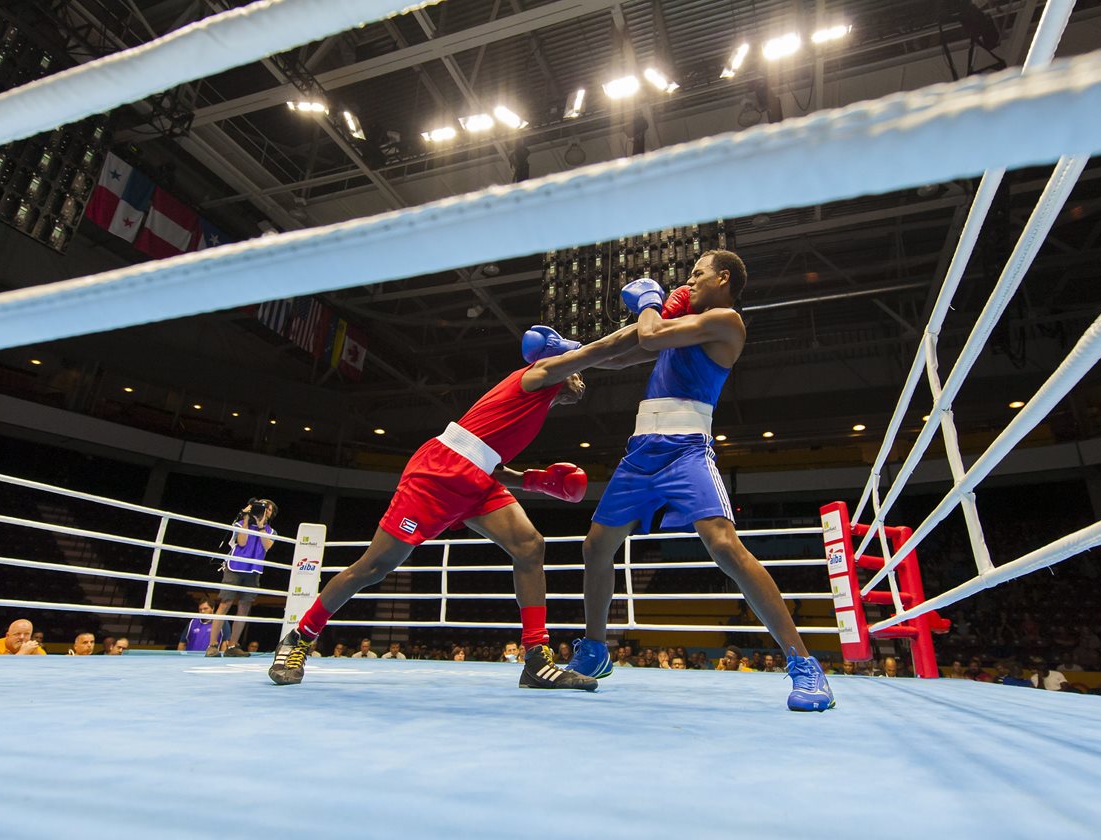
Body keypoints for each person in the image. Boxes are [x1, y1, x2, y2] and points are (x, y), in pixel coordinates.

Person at [269, 322, 642, 690]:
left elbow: (490, 463)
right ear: (560, 359)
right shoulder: (538, 373)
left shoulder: (537, 397)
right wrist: (655, 323)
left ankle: (535, 659)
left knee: (530, 546)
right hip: (438, 474)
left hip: (477, 478)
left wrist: (535, 480)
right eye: (572, 365)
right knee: (374, 566)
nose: (578, 380)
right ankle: (299, 638)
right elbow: (603, 352)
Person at [564, 251, 836, 712]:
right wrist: (566, 355)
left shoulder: (726, 321)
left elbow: (649, 334)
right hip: (640, 452)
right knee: (595, 547)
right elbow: (624, 352)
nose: (686, 283)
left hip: (686, 448)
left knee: (725, 546)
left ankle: (804, 664)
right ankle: (594, 651)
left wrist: (649, 300)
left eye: (697, 274)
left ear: (723, 278)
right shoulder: (681, 327)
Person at [207, 497, 278, 658]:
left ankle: (232, 646)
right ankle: (212, 646)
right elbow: (242, 542)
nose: (264, 509)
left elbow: (267, 546)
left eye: (268, 508)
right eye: (261, 506)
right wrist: (245, 518)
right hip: (234, 568)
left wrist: (260, 526)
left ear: (271, 514)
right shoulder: (240, 525)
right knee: (225, 604)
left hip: (253, 571)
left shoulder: (271, 532)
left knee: (244, 607)